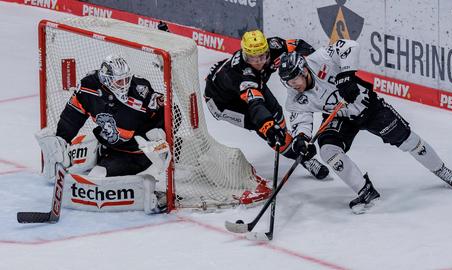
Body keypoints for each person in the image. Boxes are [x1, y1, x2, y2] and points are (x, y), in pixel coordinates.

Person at [277, 40, 452, 214]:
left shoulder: (319, 59)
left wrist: (346, 75)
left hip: (368, 107)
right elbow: (301, 121)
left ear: (304, 71)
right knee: (328, 150)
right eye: (289, 82)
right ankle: (365, 191)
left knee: (408, 141)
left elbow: (349, 46)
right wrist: (301, 139)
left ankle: (440, 169)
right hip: (340, 116)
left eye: (295, 80)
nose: (293, 86)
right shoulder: (294, 98)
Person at [35, 55, 172, 214]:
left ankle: (141, 190)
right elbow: (73, 115)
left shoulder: (140, 90)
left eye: (126, 79)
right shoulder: (88, 87)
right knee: (69, 163)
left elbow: (171, 111)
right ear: (106, 79)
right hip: (108, 144)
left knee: (98, 177)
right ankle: (91, 153)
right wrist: (62, 138)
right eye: (119, 81)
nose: (124, 85)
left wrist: (158, 135)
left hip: (134, 154)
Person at [204, 29, 329, 180]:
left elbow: (300, 45)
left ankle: (292, 141)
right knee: (266, 129)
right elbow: (256, 105)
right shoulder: (243, 75)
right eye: (252, 58)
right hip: (222, 102)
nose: (258, 62)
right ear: (245, 55)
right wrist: (268, 126)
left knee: (276, 111)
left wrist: (311, 65)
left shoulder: (274, 45)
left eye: (262, 56)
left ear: (267, 50)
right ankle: (305, 160)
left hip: (251, 86)